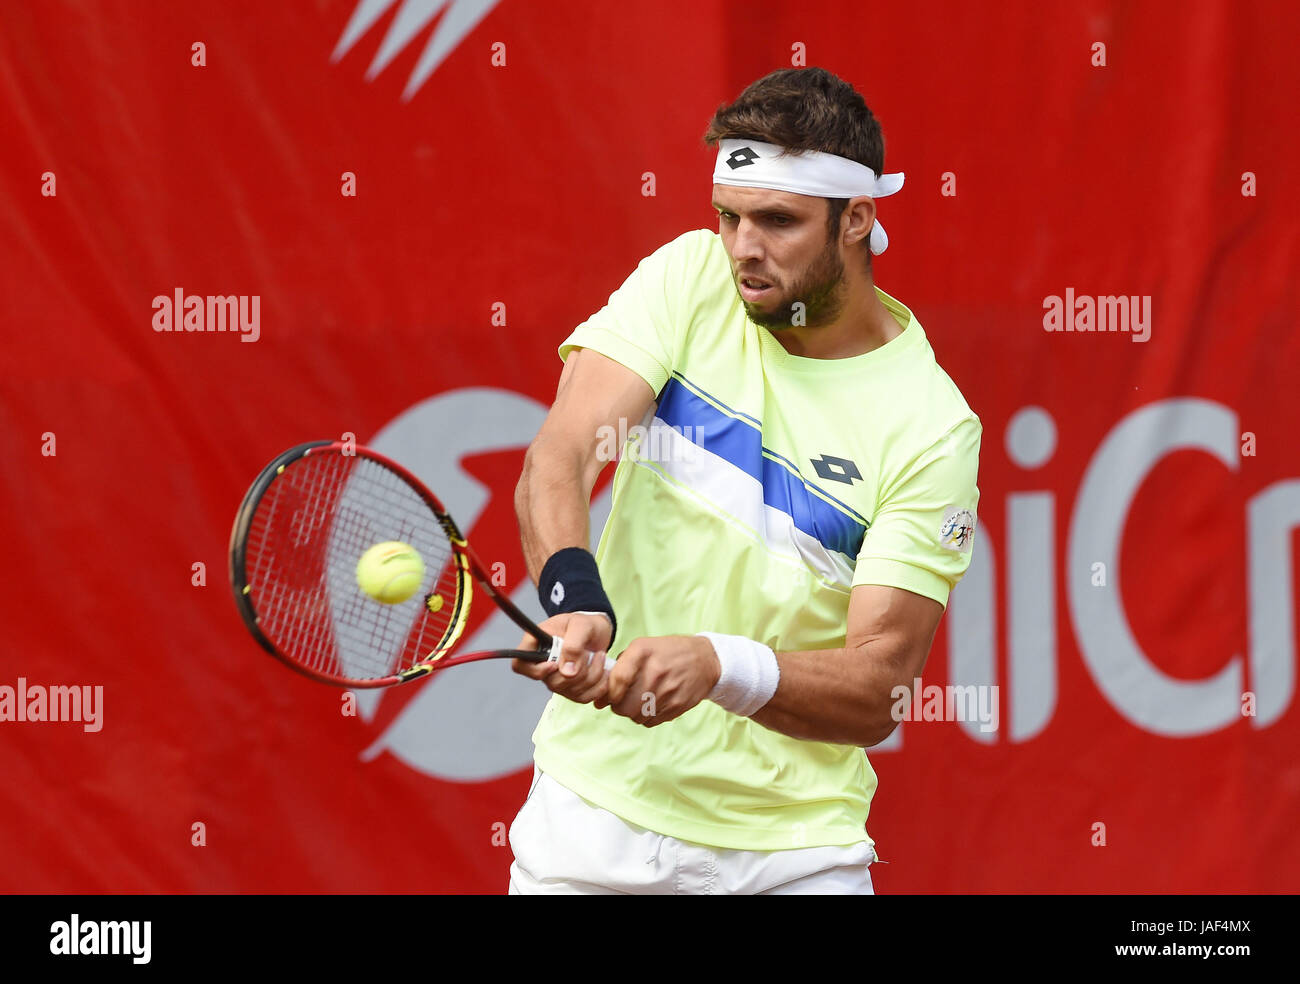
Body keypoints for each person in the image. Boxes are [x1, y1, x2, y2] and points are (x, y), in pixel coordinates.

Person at [507, 66, 981, 894]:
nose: (742, 250)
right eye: (727, 217)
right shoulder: (690, 279)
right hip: (592, 827)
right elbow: (563, 453)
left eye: (777, 221)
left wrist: (720, 666)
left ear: (857, 220)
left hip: (796, 857)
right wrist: (573, 592)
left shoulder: (932, 426)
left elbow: (879, 688)